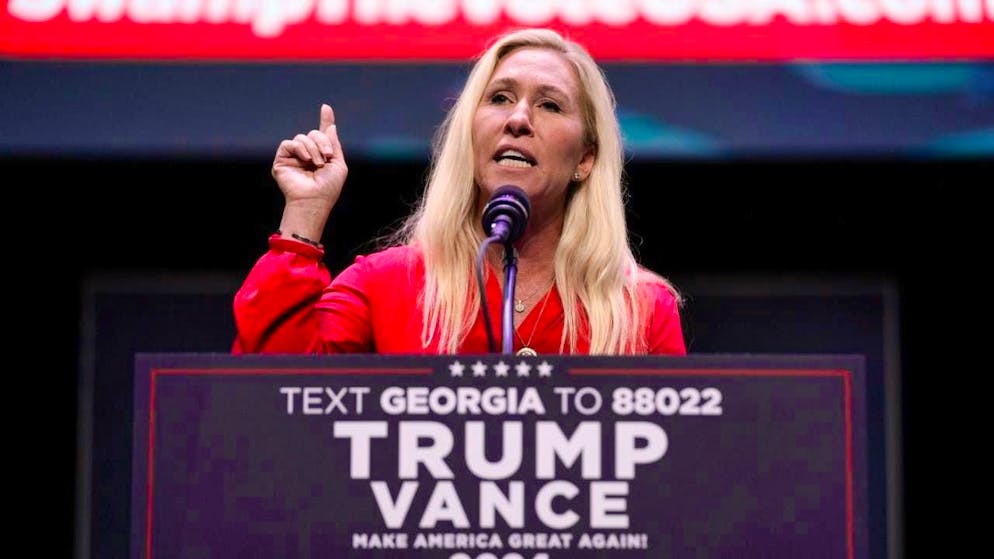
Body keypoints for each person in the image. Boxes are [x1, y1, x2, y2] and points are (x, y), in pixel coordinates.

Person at [232, 27, 685, 356]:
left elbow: (680, 453)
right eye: (499, 98)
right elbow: (272, 395)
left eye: (549, 105)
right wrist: (305, 213)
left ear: (585, 159)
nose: (518, 119)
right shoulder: (386, 284)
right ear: (470, 133)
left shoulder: (641, 310)